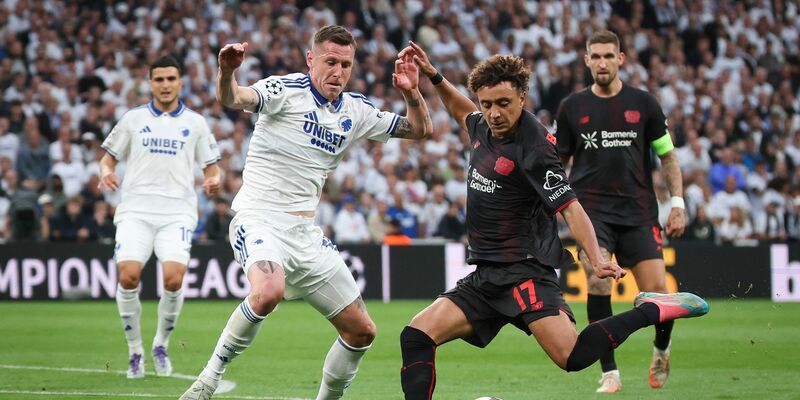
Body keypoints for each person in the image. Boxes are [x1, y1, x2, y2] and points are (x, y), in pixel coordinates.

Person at [396, 41, 708, 400]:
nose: (494, 114)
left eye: (503, 104)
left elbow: (571, 207)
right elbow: (461, 110)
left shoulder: (536, 149)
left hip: (525, 272)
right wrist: (434, 76)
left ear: (523, 97)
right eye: (487, 104)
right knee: (416, 336)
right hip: (486, 276)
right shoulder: (483, 124)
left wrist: (597, 257)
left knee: (572, 357)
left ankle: (652, 310)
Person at [181, 25, 432, 400]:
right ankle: (207, 381)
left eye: (346, 64)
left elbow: (419, 130)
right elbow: (233, 98)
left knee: (362, 331)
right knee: (268, 292)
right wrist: (227, 70)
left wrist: (412, 93)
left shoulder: (355, 110)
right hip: (259, 217)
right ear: (311, 59)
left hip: (306, 234)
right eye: (330, 61)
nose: (338, 72)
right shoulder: (283, 91)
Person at [555, 30, 687, 392]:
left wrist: (678, 203)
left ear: (620, 58)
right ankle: (609, 371)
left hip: (639, 212)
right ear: (586, 60)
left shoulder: (644, 104)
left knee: (658, 295)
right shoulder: (571, 107)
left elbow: (667, 156)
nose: (601, 63)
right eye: (595, 56)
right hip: (592, 214)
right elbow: (558, 163)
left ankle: (662, 348)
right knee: (597, 282)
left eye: (608, 56)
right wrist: (551, 205)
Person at [99, 55, 222, 379]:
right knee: (128, 276)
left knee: (173, 279)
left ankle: (161, 344)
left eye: (171, 79)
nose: (165, 85)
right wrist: (106, 173)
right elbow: (108, 159)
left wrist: (213, 179)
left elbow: (212, 167)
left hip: (177, 212)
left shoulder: (195, 123)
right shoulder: (133, 119)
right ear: (150, 83)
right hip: (136, 210)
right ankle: (135, 351)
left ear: (181, 82)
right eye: (159, 79)